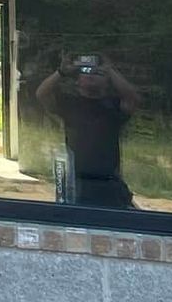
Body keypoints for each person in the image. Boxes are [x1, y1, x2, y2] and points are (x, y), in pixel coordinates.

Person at [36, 53, 140, 208]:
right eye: (85, 72)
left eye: (98, 73)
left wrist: (110, 70)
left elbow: (132, 98)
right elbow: (42, 94)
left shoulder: (113, 106)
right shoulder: (70, 104)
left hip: (108, 181)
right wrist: (62, 72)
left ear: (107, 82)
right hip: (76, 182)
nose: (91, 76)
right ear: (77, 81)